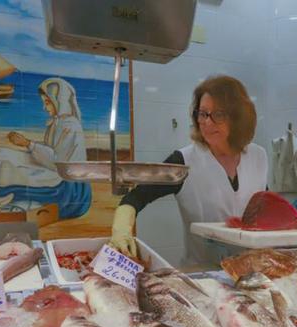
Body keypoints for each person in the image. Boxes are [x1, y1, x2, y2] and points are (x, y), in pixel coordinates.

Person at [109, 75, 271, 266]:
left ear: (238, 117)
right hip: (203, 276)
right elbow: (136, 197)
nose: (207, 123)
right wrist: (121, 229)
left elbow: (263, 210)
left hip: (254, 274)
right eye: (203, 113)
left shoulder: (258, 156)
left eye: (218, 115)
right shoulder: (184, 161)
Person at [0, 77, 92, 220]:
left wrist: (28, 144)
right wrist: (29, 145)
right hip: (51, 167)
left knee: (5, 161)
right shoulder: (58, 122)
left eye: (47, 103)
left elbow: (57, 160)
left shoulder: (69, 126)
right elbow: (50, 150)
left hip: (66, 184)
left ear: (59, 101)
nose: (44, 108)